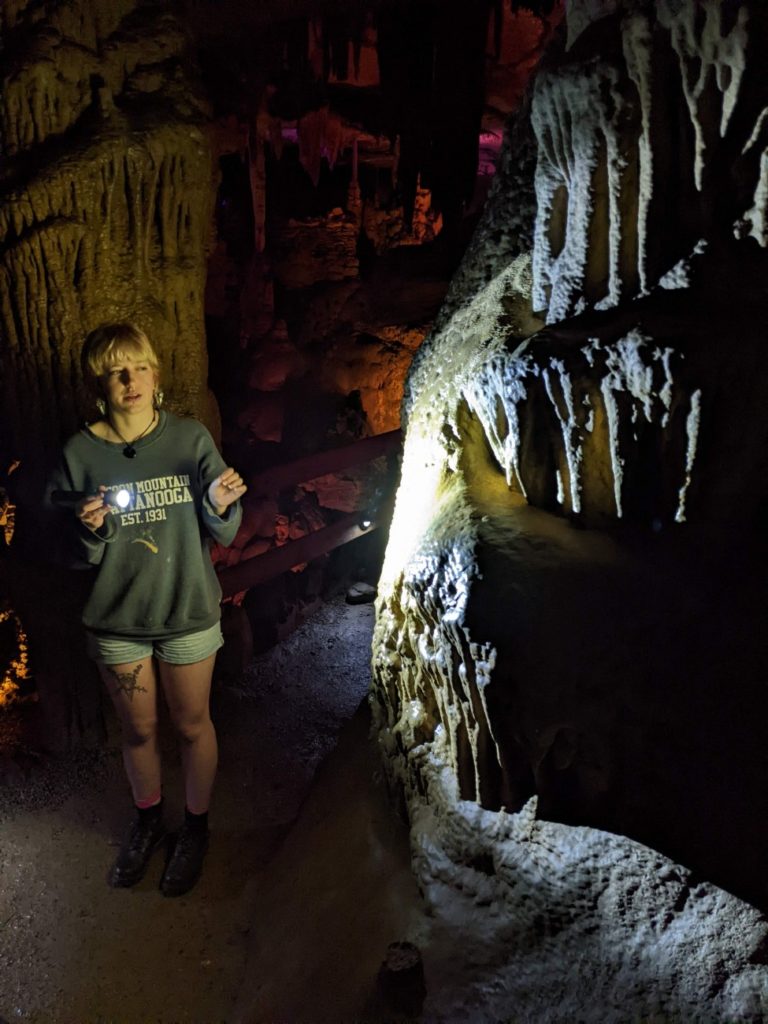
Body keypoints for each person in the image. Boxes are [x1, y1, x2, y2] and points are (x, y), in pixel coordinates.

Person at [48, 322, 246, 896]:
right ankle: (149, 820)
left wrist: (218, 504)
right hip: (118, 620)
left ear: (156, 375)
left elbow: (225, 528)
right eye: (116, 371)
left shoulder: (189, 439)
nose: (129, 380)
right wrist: (91, 528)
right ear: (99, 385)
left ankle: (196, 828)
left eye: (138, 367)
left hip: (186, 609)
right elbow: (69, 552)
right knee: (137, 730)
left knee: (191, 724)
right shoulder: (79, 454)